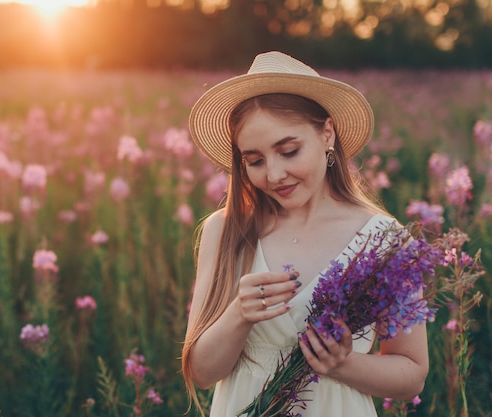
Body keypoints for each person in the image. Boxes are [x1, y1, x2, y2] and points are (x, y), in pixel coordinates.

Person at [181, 51, 429, 417]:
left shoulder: (385, 240)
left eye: (289, 151)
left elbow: (412, 375)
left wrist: (342, 364)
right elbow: (201, 373)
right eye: (255, 161)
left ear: (327, 133)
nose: (275, 174)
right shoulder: (226, 231)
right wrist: (238, 315)